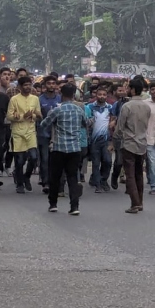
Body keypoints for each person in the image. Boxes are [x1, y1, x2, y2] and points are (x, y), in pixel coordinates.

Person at [44, 83, 87, 216]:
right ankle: (74, 206)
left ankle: (53, 204)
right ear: (74, 95)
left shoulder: (57, 110)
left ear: (61, 94)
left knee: (55, 177)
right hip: (75, 148)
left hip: (59, 147)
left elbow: (44, 124)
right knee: (73, 177)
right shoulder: (79, 110)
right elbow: (86, 123)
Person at [113, 79, 151, 214]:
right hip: (142, 143)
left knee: (130, 175)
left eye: (128, 88)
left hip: (129, 143)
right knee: (139, 174)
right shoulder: (147, 106)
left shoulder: (127, 106)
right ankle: (139, 202)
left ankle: (134, 203)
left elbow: (119, 127)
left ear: (133, 90)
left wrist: (114, 139)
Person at [7, 76, 42, 194]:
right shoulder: (14, 99)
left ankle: (27, 176)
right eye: (25, 85)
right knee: (20, 160)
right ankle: (20, 184)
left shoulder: (35, 99)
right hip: (18, 132)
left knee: (34, 157)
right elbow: (9, 116)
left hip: (31, 131)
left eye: (29, 85)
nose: (28, 87)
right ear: (20, 87)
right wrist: (22, 116)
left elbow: (38, 115)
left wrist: (35, 116)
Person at [89, 86, 116, 193]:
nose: (102, 96)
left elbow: (114, 119)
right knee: (96, 163)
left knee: (108, 161)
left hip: (106, 139)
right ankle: (98, 184)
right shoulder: (90, 107)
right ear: (96, 95)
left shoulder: (110, 107)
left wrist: (113, 122)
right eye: (99, 94)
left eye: (104, 95)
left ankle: (104, 179)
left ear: (107, 96)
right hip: (94, 140)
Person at [38, 76, 61, 194]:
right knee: (45, 159)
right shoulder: (40, 99)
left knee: (55, 160)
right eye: (49, 83)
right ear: (45, 85)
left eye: (53, 83)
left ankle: (55, 182)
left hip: (57, 134)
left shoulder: (60, 99)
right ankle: (45, 182)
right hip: (43, 133)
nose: (51, 85)